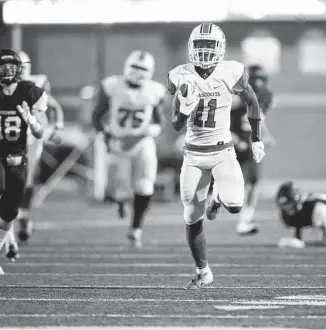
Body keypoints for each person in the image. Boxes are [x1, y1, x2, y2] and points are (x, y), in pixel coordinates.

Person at [167, 22, 265, 289]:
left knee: (235, 204)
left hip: (222, 150)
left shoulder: (231, 71)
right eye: (200, 46)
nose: (205, 51)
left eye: (210, 46)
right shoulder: (180, 75)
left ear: (220, 47)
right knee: (191, 215)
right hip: (194, 155)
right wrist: (183, 112)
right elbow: (175, 124)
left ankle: (217, 198)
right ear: (191, 47)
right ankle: (203, 271)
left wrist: (256, 138)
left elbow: (252, 101)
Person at [0, 49, 47, 275]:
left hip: (18, 157)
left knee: (9, 213)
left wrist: (33, 123)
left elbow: (39, 132)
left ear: (20, 69)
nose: (7, 72)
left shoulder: (32, 92)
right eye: (2, 68)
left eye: (11, 68)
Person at [92, 50, 166, 248]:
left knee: (145, 186)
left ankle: (136, 229)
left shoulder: (154, 90)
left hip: (142, 143)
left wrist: (145, 133)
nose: (138, 72)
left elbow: (160, 122)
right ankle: (121, 202)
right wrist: (106, 136)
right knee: (119, 191)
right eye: (135, 67)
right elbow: (97, 116)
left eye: (142, 68)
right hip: (118, 143)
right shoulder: (111, 86)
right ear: (126, 67)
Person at [13, 50, 65, 243]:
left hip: (32, 137)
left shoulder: (38, 82)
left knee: (26, 179)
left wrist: (57, 125)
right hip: (7, 137)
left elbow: (51, 104)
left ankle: (24, 218)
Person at [230, 64, 275, 235]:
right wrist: (234, 138)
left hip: (250, 141)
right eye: (253, 79)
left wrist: (266, 135)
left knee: (253, 182)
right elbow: (223, 121)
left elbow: (259, 120)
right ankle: (241, 216)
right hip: (235, 140)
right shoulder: (236, 96)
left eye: (259, 80)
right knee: (236, 182)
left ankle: (245, 219)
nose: (257, 83)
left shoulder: (265, 97)